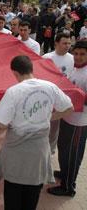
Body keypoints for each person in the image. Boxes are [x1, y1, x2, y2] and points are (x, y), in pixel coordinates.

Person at [0, 55, 73, 210]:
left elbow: (1, 123)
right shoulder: (50, 87)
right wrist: (48, 117)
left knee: (13, 192)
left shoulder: (13, 91)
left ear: (14, 72)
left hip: (17, 150)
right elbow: (69, 108)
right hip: (39, 149)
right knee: (33, 193)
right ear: (31, 69)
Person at [47, 41, 87, 197]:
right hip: (67, 117)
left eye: (82, 54)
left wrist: (77, 97)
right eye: (76, 53)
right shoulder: (74, 68)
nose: (78, 57)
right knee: (63, 149)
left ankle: (68, 187)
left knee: (72, 154)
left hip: (79, 122)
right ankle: (65, 174)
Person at [42, 32, 74, 154]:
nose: (67, 46)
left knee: (55, 126)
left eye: (69, 43)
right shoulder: (46, 58)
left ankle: (50, 150)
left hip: (63, 98)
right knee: (44, 123)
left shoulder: (72, 59)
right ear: (56, 43)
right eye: (64, 43)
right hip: (47, 97)